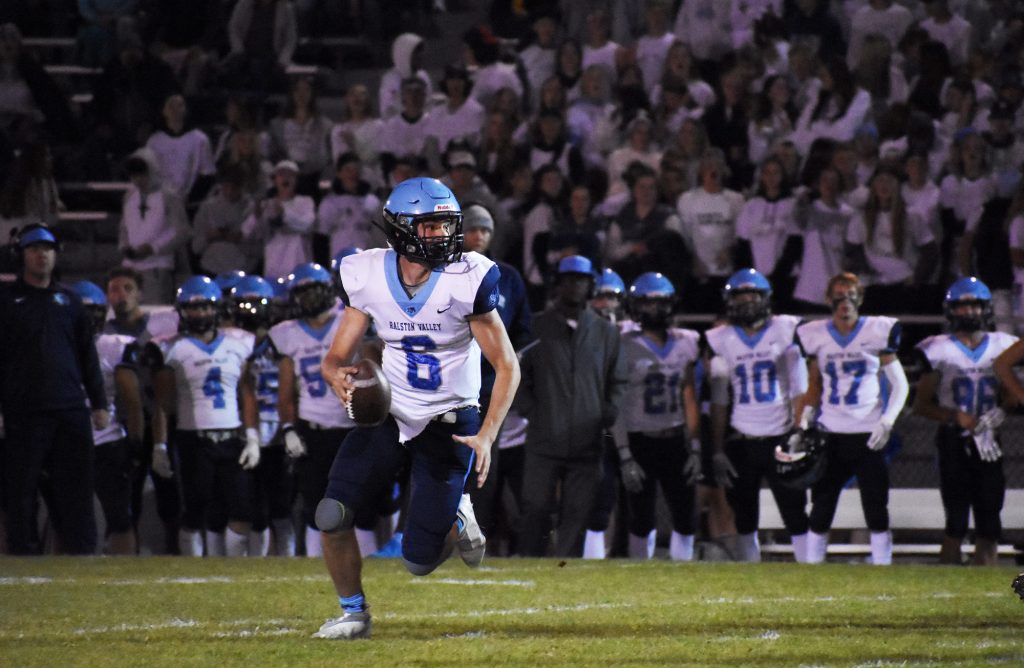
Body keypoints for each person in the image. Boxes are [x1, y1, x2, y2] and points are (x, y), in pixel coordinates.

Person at [313, 177, 520, 639]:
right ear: (402, 228)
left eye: (447, 226)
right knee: (331, 514)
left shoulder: (468, 277)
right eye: (429, 227)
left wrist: (486, 435)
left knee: (420, 562)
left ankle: (458, 511)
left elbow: (507, 365)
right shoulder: (365, 273)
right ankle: (353, 613)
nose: (442, 237)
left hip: (450, 422)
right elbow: (335, 355)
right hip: (392, 412)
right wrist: (335, 375)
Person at [0, 224, 109, 555]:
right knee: (21, 489)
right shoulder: (6, 301)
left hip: (69, 408)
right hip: (24, 409)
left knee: (76, 488)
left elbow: (87, 356)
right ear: (22, 256)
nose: (41, 255)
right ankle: (23, 553)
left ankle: (81, 554)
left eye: (47, 249)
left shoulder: (71, 301)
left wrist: (99, 403)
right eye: (34, 250)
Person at [793, 272, 909, 565]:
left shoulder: (876, 331)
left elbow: (901, 384)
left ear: (860, 298)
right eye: (839, 296)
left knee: (875, 506)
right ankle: (811, 566)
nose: (845, 302)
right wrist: (805, 418)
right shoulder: (815, 335)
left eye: (851, 296)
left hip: (868, 430)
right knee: (821, 504)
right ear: (828, 299)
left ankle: (883, 565)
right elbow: (814, 384)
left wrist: (887, 421)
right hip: (831, 431)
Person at [517, 255, 626, 558]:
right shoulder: (536, 327)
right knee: (535, 507)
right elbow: (518, 376)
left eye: (581, 280)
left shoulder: (606, 333)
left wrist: (607, 414)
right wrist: (532, 413)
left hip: (586, 442)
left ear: (591, 284)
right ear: (558, 284)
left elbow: (618, 380)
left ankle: (566, 572)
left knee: (577, 514)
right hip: (543, 438)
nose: (575, 286)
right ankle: (528, 563)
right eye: (569, 280)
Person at [704, 269, 811, 562]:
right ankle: (749, 571)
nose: (747, 301)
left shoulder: (786, 328)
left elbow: (800, 388)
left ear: (766, 299)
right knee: (744, 514)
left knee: (794, 510)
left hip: (781, 435)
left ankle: (810, 569)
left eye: (753, 295)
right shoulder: (720, 338)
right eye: (740, 296)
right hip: (742, 437)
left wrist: (800, 431)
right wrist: (716, 449)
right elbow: (719, 400)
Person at [150, 276, 261, 557]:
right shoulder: (170, 347)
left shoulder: (239, 342)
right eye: (193, 308)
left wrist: (251, 437)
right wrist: (160, 445)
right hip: (193, 440)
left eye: (205, 307)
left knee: (242, 509)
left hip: (232, 436)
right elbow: (162, 403)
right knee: (196, 510)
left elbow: (246, 392)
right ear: (182, 311)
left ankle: (234, 570)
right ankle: (194, 567)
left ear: (217, 308)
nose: (200, 314)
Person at [914, 277, 1017, 565]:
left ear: (985, 309)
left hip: (990, 439)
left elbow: (1012, 393)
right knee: (956, 520)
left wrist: (1001, 411)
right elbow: (920, 405)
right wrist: (955, 417)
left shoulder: (1003, 346)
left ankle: (983, 586)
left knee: (989, 519)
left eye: (974, 306)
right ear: (951, 310)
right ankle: (947, 586)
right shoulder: (938, 348)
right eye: (962, 307)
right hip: (953, 439)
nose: (969, 312)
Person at [270, 262, 363, 557]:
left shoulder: (351, 319)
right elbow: (286, 389)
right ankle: (314, 564)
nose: (308, 298)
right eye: (302, 292)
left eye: (313, 290)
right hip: (314, 429)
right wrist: (288, 429)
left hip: (353, 425)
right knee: (315, 503)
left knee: (361, 503)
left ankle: (367, 563)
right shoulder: (285, 333)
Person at [612, 272, 702, 560]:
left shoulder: (687, 340)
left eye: (661, 302)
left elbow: (689, 395)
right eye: (648, 303)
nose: (655, 309)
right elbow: (618, 404)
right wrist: (625, 454)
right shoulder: (622, 343)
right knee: (641, 517)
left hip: (675, 438)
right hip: (640, 441)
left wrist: (696, 445)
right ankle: (641, 576)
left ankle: (683, 574)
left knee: (686, 515)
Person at [459, 204, 531, 543]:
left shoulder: (508, 277)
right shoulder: (445, 272)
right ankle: (438, 535)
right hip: (451, 386)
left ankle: (479, 535)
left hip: (490, 386)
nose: (479, 236)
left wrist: (511, 355)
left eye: (485, 230)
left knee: (487, 461)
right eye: (473, 229)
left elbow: (524, 331)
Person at [71, 280, 144, 555]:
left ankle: (122, 576)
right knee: (63, 516)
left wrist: (136, 441)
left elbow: (133, 400)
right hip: (66, 438)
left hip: (106, 439)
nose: (90, 319)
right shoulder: (52, 345)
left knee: (119, 516)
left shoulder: (114, 345)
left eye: (95, 311)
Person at [232, 275, 294, 556]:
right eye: (245, 304)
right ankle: (258, 563)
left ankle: (289, 563)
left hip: (281, 431)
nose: (251, 310)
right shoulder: (232, 341)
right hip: (246, 431)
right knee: (253, 509)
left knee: (283, 508)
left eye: (258, 304)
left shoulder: (283, 338)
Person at [118, 148, 190, 304]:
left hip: (158, 267)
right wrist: (124, 246)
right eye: (134, 175)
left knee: (156, 315)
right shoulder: (130, 196)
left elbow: (181, 230)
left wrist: (153, 248)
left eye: (141, 174)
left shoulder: (169, 196)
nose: (138, 179)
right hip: (130, 268)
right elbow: (124, 227)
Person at [242, 159, 316, 279]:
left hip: (299, 266)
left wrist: (283, 214)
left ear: (296, 180)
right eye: (281, 175)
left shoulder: (305, 202)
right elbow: (247, 232)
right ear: (275, 180)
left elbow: (307, 225)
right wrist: (257, 215)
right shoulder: (266, 205)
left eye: (290, 175)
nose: (285, 178)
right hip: (274, 269)